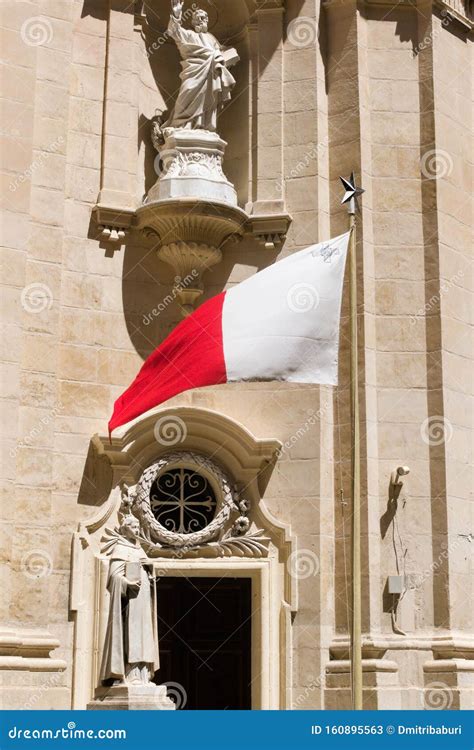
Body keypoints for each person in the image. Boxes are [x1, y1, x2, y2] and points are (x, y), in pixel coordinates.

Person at [100, 515, 159, 685]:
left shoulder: (139, 550)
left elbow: (146, 571)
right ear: (125, 529)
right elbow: (113, 578)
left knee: (145, 633)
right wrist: (127, 583)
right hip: (130, 601)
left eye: (138, 527)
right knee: (132, 632)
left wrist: (149, 571)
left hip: (143, 600)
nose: (137, 530)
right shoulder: (120, 549)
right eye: (134, 527)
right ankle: (131, 672)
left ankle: (144, 672)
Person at [163, 0, 237, 131]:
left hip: (211, 76)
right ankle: (180, 126)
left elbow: (222, 53)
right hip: (193, 73)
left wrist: (229, 57)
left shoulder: (212, 39)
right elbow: (174, 32)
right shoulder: (190, 35)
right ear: (193, 22)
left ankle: (202, 126)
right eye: (198, 18)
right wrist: (176, 15)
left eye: (204, 18)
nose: (201, 20)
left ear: (207, 20)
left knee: (208, 100)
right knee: (187, 91)